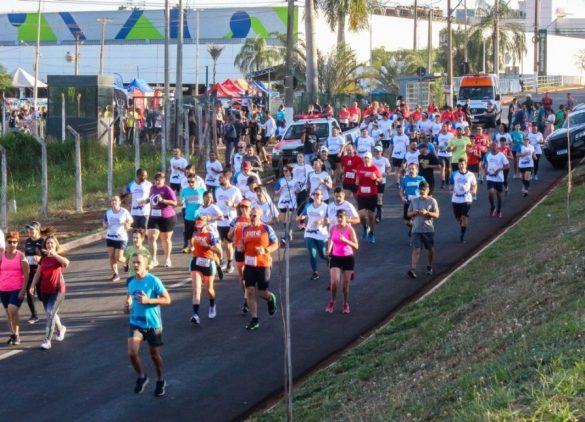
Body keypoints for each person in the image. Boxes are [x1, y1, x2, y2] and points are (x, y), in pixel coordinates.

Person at [125, 251, 171, 397]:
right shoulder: (130, 281)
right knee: (132, 353)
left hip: (152, 324)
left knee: (154, 354)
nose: (135, 265)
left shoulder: (153, 281)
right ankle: (142, 376)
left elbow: (167, 299)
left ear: (146, 264)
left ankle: (160, 380)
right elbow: (130, 298)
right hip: (135, 322)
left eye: (138, 262)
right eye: (133, 262)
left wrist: (148, 300)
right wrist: (127, 307)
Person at [240, 206, 279, 330]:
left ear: (260, 216)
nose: (252, 217)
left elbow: (276, 243)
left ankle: (270, 298)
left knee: (262, 292)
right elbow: (242, 244)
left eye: (254, 215)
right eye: (250, 215)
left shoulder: (266, 228)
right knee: (250, 291)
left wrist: (265, 250)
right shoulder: (245, 229)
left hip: (263, 264)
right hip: (249, 265)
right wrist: (240, 248)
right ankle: (254, 319)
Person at [30, 235, 70, 350]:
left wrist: (54, 254)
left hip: (58, 290)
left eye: (52, 243)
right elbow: (38, 273)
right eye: (48, 243)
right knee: (50, 313)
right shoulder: (43, 259)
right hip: (45, 291)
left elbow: (66, 263)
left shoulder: (58, 258)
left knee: (50, 312)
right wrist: (32, 285)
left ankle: (47, 340)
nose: (50, 245)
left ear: (55, 245)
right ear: (45, 245)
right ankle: (61, 328)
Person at [325, 210, 359, 314]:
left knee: (345, 285)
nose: (339, 219)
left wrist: (345, 240)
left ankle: (345, 304)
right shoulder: (333, 228)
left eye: (341, 217)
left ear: (345, 218)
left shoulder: (349, 229)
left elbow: (356, 246)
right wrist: (329, 249)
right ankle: (332, 302)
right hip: (336, 257)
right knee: (334, 282)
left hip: (348, 258)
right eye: (338, 217)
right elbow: (331, 239)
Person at [189, 218, 221, 325]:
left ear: (205, 225)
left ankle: (212, 305)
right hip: (196, 263)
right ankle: (196, 315)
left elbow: (219, 252)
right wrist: (191, 249)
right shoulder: (195, 234)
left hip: (208, 264)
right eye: (197, 227)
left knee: (209, 290)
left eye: (200, 227)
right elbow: (193, 246)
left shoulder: (211, 236)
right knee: (196, 290)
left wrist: (207, 246)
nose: (198, 229)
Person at [0, 232, 29, 345]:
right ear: (6, 242)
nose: (12, 244)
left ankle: (17, 334)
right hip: (3, 288)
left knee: (12, 309)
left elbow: (26, 274)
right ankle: (13, 335)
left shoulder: (20, 256)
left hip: (17, 288)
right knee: (8, 312)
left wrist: (23, 289)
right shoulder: (1, 255)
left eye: (14, 242)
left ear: (17, 243)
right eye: (10, 241)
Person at [407, 181, 439, 278]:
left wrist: (428, 213)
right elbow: (408, 213)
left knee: (430, 249)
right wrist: (415, 213)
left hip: (428, 230)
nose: (422, 191)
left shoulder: (432, 201)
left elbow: (437, 214)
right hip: (416, 230)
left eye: (423, 190)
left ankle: (429, 265)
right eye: (420, 189)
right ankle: (413, 269)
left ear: (428, 190)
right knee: (416, 249)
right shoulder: (414, 201)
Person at [146, 173, 178, 268]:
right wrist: (145, 201)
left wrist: (163, 200)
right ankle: (153, 259)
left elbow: (175, 203)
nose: (157, 181)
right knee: (151, 237)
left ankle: (167, 259)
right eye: (156, 179)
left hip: (167, 217)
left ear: (164, 180)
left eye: (159, 179)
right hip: (154, 216)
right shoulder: (152, 188)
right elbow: (151, 198)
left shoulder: (167, 189)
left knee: (166, 240)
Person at [298, 189, 330, 281]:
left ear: (322, 196)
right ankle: (315, 272)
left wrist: (321, 221)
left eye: (318, 194)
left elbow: (329, 219)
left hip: (321, 233)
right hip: (309, 232)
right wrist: (300, 219)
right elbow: (302, 215)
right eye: (314, 194)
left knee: (322, 254)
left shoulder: (326, 207)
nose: (316, 195)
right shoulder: (308, 206)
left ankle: (327, 258)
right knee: (312, 253)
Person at [215, 171, 243, 273]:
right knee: (221, 243)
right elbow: (217, 203)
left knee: (228, 243)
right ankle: (223, 261)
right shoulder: (217, 190)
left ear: (227, 178)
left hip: (230, 220)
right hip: (219, 220)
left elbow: (241, 204)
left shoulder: (235, 190)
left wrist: (233, 205)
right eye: (219, 177)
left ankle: (230, 263)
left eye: (221, 177)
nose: (219, 179)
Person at [228, 199, 252, 313]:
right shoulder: (236, 220)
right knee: (242, 277)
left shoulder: (253, 219)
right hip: (238, 250)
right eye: (241, 207)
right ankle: (246, 296)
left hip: (250, 251)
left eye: (246, 207)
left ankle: (247, 300)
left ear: (250, 208)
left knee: (248, 276)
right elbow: (229, 236)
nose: (243, 209)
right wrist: (233, 230)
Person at [103, 195, 133, 282]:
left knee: (119, 258)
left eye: (115, 200)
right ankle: (115, 274)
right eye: (112, 200)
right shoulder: (108, 212)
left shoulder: (124, 212)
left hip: (121, 237)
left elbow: (131, 220)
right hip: (110, 236)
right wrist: (105, 224)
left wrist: (127, 224)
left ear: (119, 202)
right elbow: (104, 221)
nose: (114, 202)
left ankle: (127, 261)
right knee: (111, 257)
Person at [355, 152, 382, 243]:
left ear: (370, 159)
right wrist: (357, 181)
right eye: (365, 158)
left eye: (368, 158)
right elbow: (357, 180)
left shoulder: (374, 168)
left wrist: (375, 179)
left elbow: (380, 180)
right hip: (361, 195)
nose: (366, 160)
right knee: (361, 215)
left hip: (372, 195)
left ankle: (372, 233)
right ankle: (365, 227)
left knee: (371, 216)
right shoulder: (359, 167)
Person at [449, 159, 477, 243]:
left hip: (466, 198)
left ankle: (462, 236)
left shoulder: (471, 175)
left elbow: (474, 184)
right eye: (459, 164)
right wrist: (451, 190)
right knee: (458, 218)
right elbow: (451, 183)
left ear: (466, 165)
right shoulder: (454, 174)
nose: (461, 166)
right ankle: (463, 225)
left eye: (463, 164)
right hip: (456, 199)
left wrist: (474, 191)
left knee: (464, 216)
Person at [23, 221, 45, 324]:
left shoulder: (43, 241)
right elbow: (26, 254)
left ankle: (50, 310)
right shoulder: (27, 241)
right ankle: (34, 315)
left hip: (40, 271)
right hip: (30, 270)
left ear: (38, 230)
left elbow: (49, 255)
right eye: (28, 229)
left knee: (41, 295)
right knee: (29, 292)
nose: (29, 231)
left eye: (32, 229)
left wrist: (40, 258)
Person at [179, 174, 206, 252]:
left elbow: (209, 200)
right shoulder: (185, 190)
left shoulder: (202, 190)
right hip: (189, 215)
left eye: (192, 182)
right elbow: (179, 202)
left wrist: (203, 203)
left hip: (199, 217)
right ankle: (191, 246)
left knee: (200, 233)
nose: (190, 183)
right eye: (189, 182)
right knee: (189, 233)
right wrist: (181, 202)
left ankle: (200, 246)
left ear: (197, 181)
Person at [482, 141, 510, 218]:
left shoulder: (501, 155)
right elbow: (483, 164)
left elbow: (507, 165)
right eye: (492, 146)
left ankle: (499, 210)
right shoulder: (487, 155)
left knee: (498, 195)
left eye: (495, 145)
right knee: (490, 192)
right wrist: (485, 170)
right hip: (490, 177)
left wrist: (500, 169)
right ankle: (492, 207)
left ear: (497, 146)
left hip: (499, 178)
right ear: (490, 147)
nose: (493, 147)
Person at [399, 163, 426, 237]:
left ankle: (416, 232)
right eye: (409, 169)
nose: (411, 170)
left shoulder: (421, 179)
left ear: (417, 170)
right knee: (406, 221)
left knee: (418, 219)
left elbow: (426, 189)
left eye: (413, 169)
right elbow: (401, 191)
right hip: (408, 202)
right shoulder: (405, 179)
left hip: (419, 202)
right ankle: (413, 227)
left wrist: (425, 197)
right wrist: (402, 197)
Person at [371, 146, 391, 222]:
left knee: (379, 197)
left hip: (382, 180)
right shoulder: (372, 159)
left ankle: (378, 214)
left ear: (381, 152)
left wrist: (387, 173)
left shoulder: (385, 159)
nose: (377, 153)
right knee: (374, 197)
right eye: (375, 151)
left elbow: (389, 167)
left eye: (378, 151)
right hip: (373, 180)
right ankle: (378, 210)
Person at [435, 123, 454, 189]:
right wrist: (438, 147)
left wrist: (450, 147)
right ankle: (443, 182)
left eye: (445, 126)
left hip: (449, 154)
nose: (443, 128)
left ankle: (447, 178)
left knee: (448, 169)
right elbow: (435, 144)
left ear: (447, 128)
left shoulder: (451, 135)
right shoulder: (438, 135)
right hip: (441, 154)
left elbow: (453, 144)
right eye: (442, 126)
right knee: (442, 167)